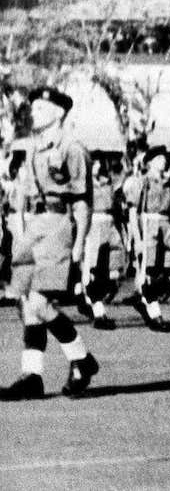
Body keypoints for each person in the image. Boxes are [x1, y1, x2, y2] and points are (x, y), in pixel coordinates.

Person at [0, 88, 99, 399]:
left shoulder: (72, 148)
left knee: (42, 304)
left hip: (58, 225)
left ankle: (81, 357)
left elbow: (83, 201)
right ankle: (32, 375)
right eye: (34, 107)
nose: (35, 111)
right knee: (28, 305)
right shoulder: (31, 148)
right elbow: (23, 194)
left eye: (42, 107)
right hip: (32, 228)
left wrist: (80, 243)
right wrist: (20, 230)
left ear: (59, 112)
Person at [131, 146, 170, 333]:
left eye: (164, 158)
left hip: (167, 228)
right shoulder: (143, 182)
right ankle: (154, 312)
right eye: (159, 158)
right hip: (149, 226)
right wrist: (137, 239)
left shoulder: (169, 184)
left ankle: (143, 299)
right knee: (149, 272)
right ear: (150, 162)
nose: (163, 161)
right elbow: (134, 211)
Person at [78, 157, 126, 331]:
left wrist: (122, 233)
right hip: (93, 225)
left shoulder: (109, 184)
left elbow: (119, 209)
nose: (97, 166)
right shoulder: (83, 184)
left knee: (112, 271)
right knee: (93, 271)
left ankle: (90, 302)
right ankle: (97, 312)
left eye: (99, 163)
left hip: (110, 225)